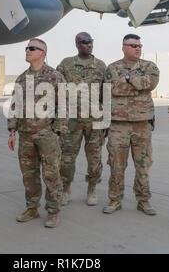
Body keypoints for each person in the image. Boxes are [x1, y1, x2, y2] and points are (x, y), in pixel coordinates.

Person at [7, 38, 67, 228]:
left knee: (51, 174)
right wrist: (12, 130)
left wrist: (57, 131)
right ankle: (32, 207)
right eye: (26, 48)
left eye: (32, 48)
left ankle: (53, 211)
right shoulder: (22, 78)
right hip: (25, 135)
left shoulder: (55, 77)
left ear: (43, 53)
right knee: (29, 174)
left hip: (46, 134)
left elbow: (64, 106)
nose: (27, 51)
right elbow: (15, 105)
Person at [103, 34, 159, 215]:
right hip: (118, 125)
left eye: (140, 45)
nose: (138, 48)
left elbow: (149, 84)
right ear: (123, 47)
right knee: (116, 165)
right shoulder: (112, 68)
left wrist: (127, 79)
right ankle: (114, 200)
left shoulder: (149, 66)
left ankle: (144, 201)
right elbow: (112, 89)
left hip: (142, 124)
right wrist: (136, 84)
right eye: (133, 45)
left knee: (143, 165)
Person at [56, 32, 106, 206]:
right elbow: (57, 90)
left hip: (94, 120)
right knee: (67, 158)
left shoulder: (100, 66)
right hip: (71, 120)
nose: (89, 45)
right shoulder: (66, 64)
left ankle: (92, 189)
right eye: (84, 42)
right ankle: (65, 188)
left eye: (90, 42)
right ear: (77, 44)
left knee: (95, 158)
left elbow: (105, 95)